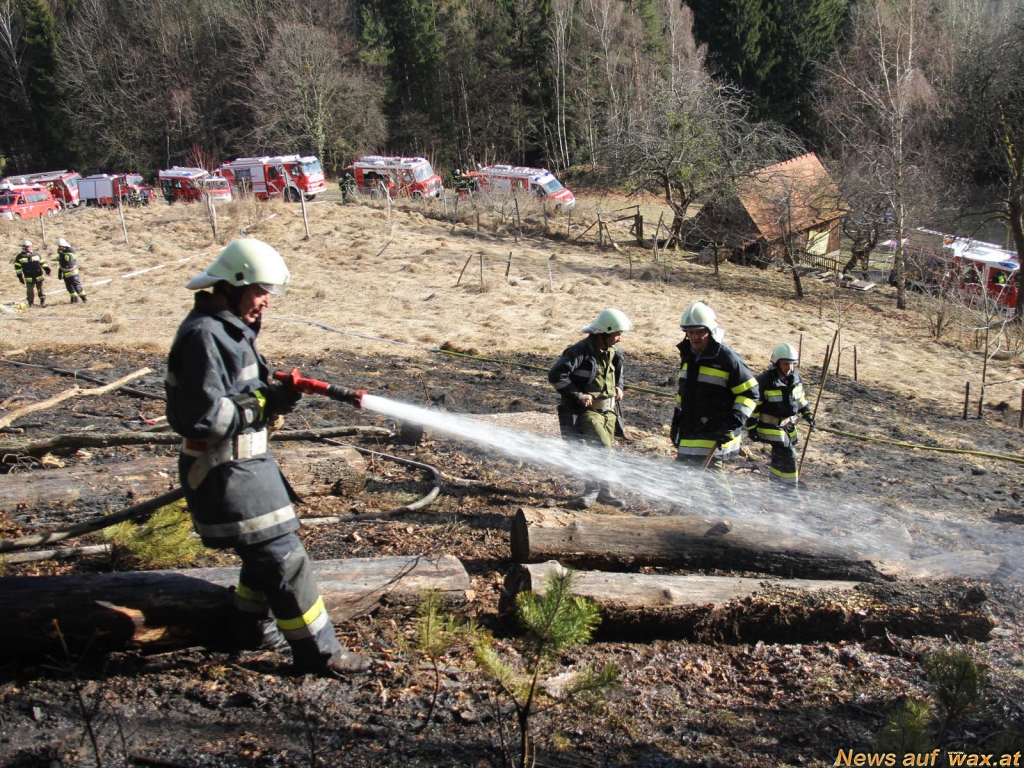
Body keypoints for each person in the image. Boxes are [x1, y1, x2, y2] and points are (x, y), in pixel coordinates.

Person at [165, 238, 369, 678]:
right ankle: (320, 652)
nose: (266, 302)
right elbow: (201, 418)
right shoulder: (205, 336)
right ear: (231, 285)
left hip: (246, 469)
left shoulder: (230, 330)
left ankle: (247, 629)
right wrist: (262, 405)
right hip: (224, 474)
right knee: (283, 557)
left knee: (264, 557)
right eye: (260, 291)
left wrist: (271, 396)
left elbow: (241, 392)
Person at [670, 302, 758, 509]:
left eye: (699, 332)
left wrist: (732, 424)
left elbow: (749, 393)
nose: (694, 337)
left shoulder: (727, 358)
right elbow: (685, 394)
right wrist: (677, 422)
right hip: (690, 428)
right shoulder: (688, 355)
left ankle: (727, 516)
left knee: (710, 475)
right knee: (680, 473)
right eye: (690, 332)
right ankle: (677, 515)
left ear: (710, 331)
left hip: (715, 430)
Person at [549, 308, 631, 510]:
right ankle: (592, 490)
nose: (620, 338)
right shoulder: (579, 351)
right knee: (602, 447)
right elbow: (556, 376)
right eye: (617, 334)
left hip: (610, 411)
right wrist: (578, 395)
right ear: (603, 333)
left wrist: (619, 387)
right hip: (588, 411)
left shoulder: (615, 351)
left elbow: (619, 373)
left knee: (607, 452)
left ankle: (604, 492)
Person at [746, 343, 814, 491]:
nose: (789, 367)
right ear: (777, 363)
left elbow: (800, 399)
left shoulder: (796, 378)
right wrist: (751, 427)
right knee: (789, 454)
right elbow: (754, 406)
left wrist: (807, 414)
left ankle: (777, 487)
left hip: (788, 426)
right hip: (769, 426)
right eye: (785, 364)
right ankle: (791, 491)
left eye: (792, 364)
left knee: (779, 455)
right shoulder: (765, 381)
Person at [13, 239, 50, 307]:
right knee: (30, 291)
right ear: (24, 247)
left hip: (39, 276)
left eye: (31, 246)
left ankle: (42, 302)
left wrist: (47, 269)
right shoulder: (20, 257)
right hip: (29, 277)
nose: (30, 248)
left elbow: (42, 263)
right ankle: (31, 303)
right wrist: (20, 277)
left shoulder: (36, 255)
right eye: (28, 247)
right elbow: (17, 268)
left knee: (41, 290)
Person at [55, 237, 87, 304]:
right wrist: (59, 273)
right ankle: (74, 299)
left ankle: (84, 299)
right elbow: (61, 263)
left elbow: (69, 259)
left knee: (77, 287)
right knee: (69, 288)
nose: (58, 247)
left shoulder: (71, 250)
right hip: (65, 273)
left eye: (59, 246)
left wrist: (62, 254)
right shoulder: (61, 252)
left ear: (63, 245)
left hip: (72, 273)